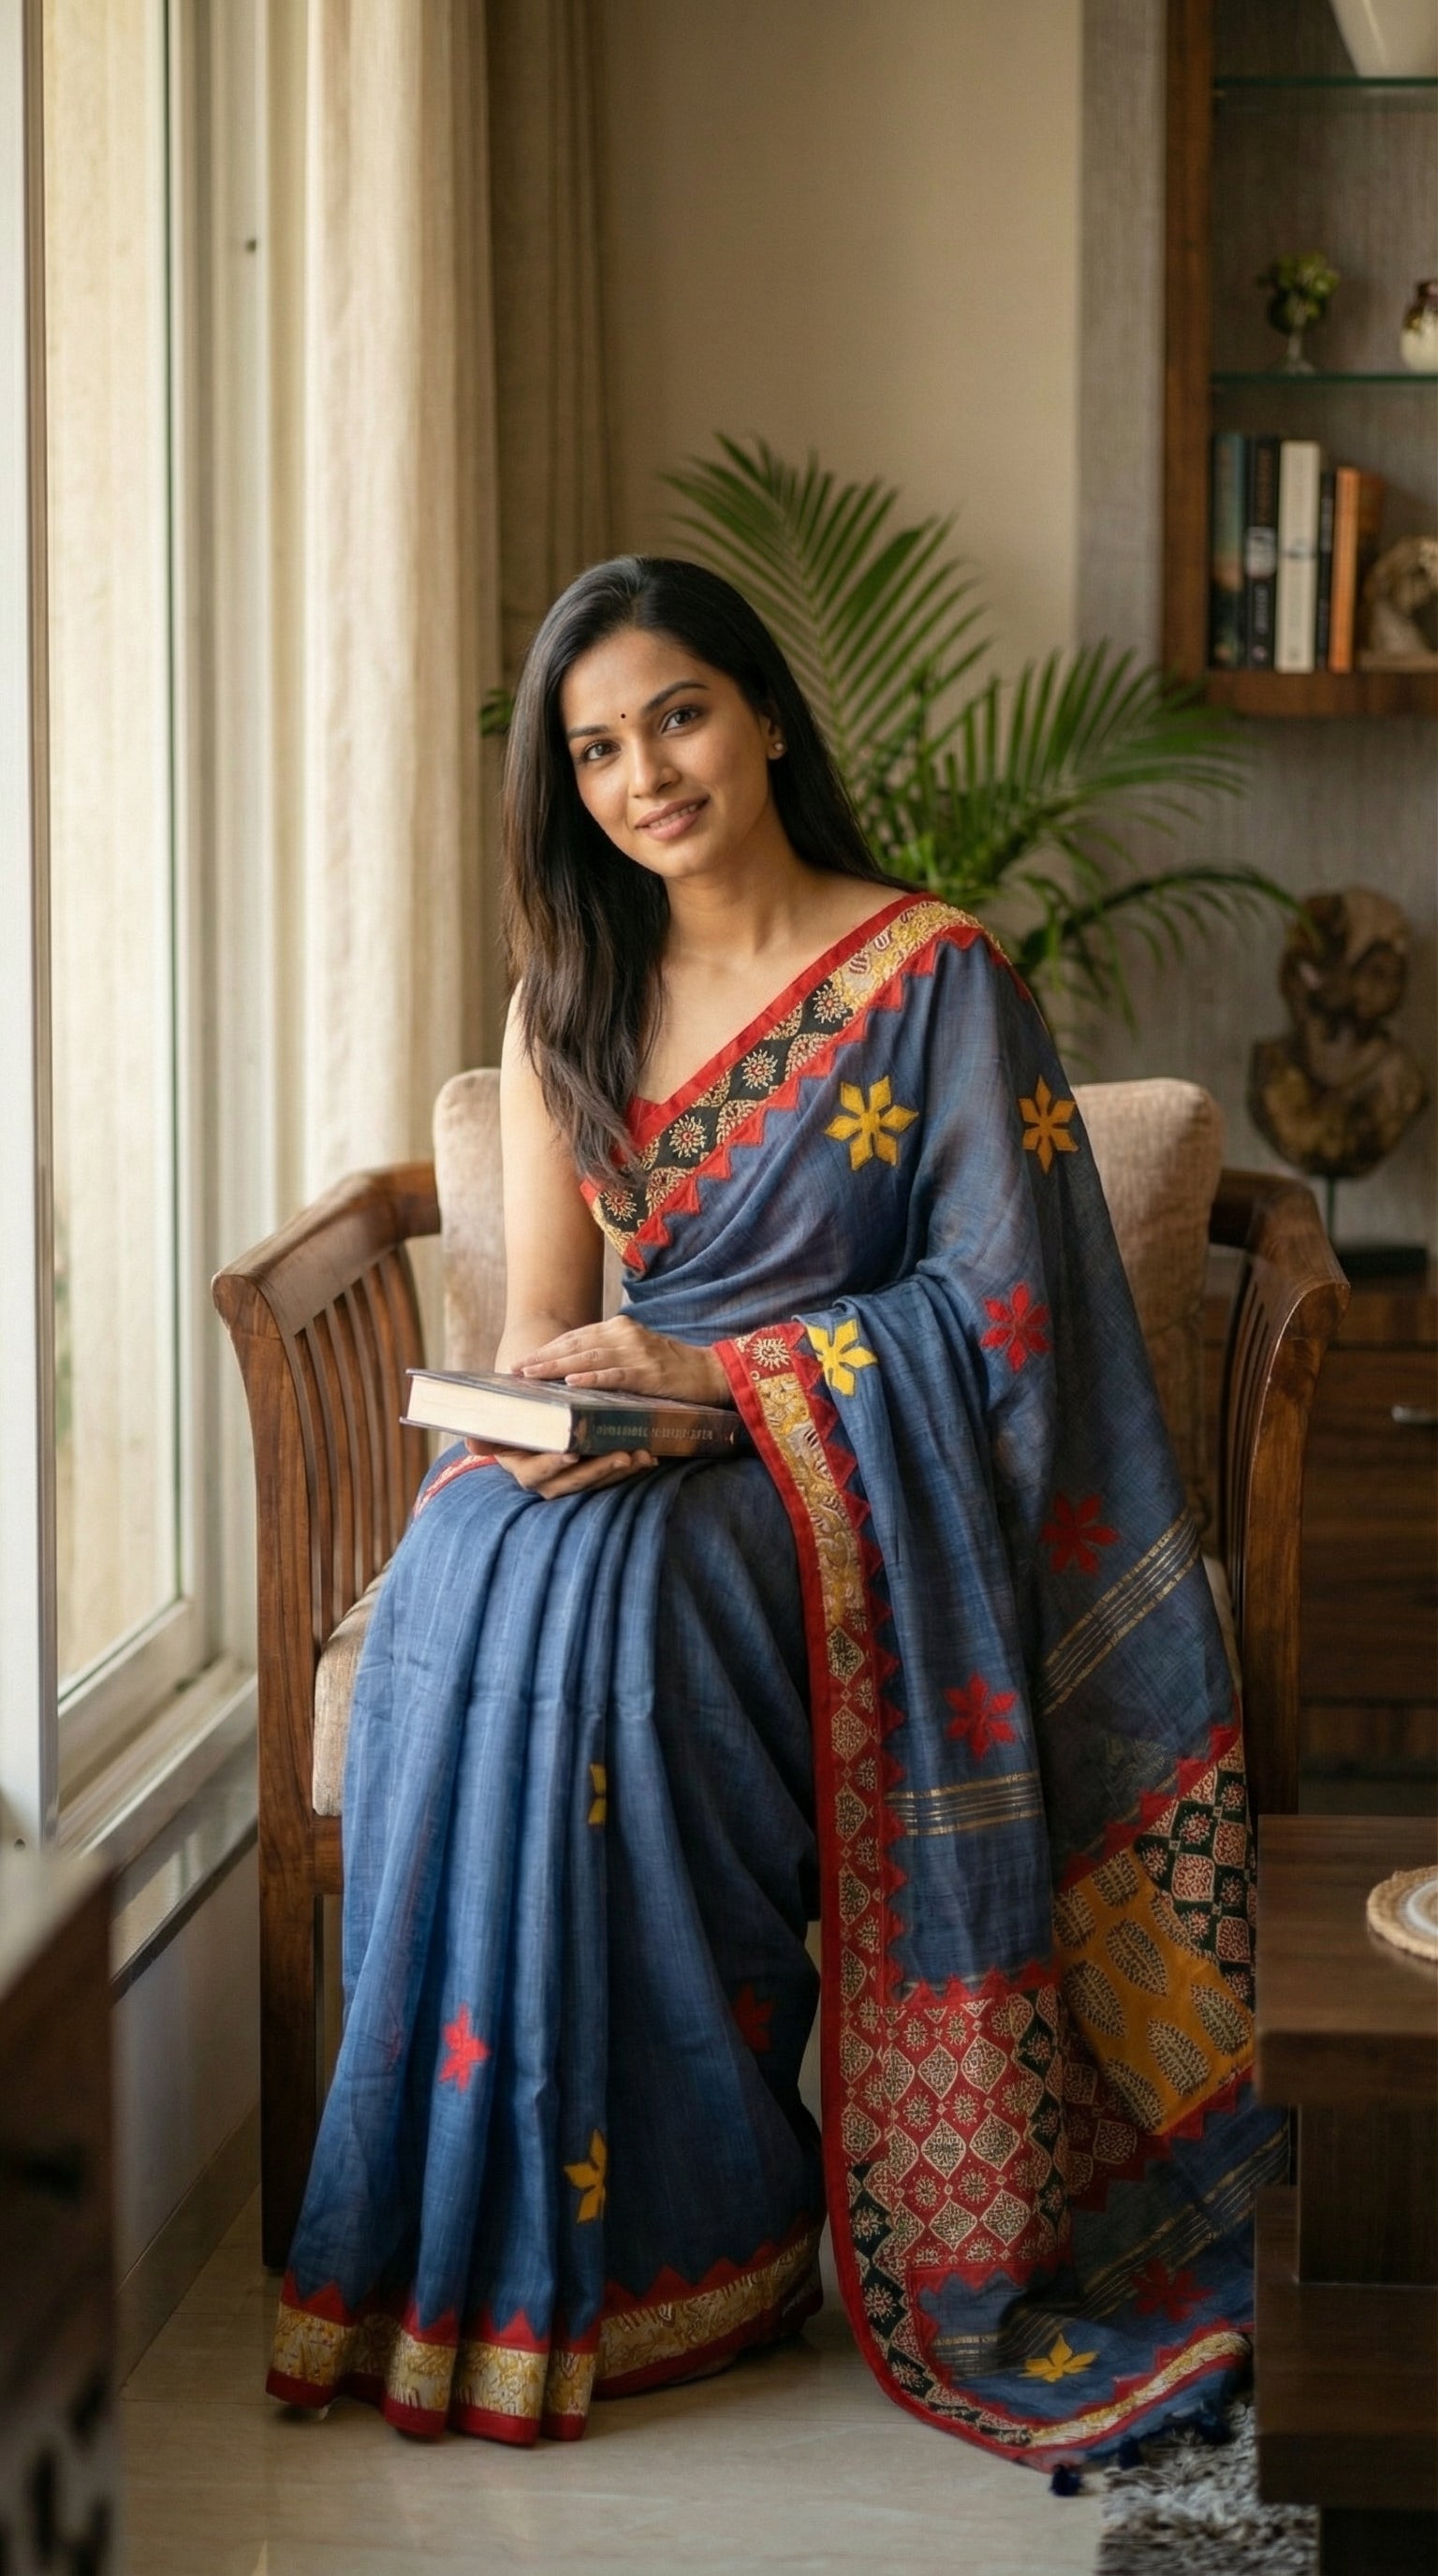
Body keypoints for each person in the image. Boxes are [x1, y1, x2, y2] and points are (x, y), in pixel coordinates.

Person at [267, 557, 1285, 2471]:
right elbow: (534, 1332)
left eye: (677, 716)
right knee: (466, 1571)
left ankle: (708, 2240)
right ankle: (479, 2239)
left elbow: (1005, 1314)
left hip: (852, 1484)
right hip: (641, 1448)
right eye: (594, 749)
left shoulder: (935, 974)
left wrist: (726, 1382)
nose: (644, 772)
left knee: (624, 1622)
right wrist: (554, 1417)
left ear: (765, 717)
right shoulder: (572, 986)